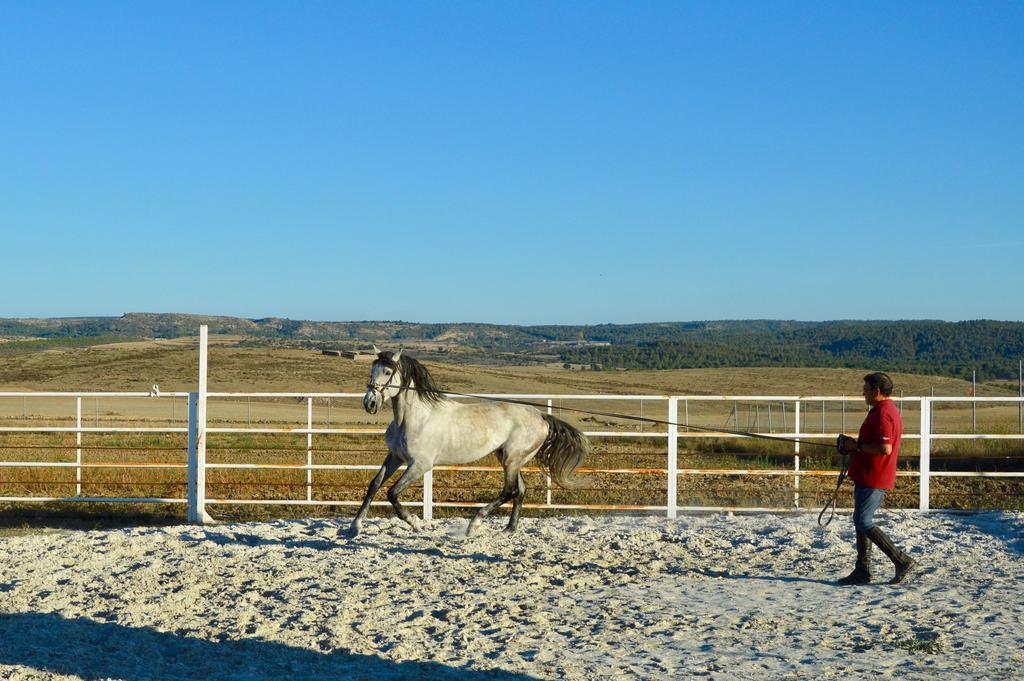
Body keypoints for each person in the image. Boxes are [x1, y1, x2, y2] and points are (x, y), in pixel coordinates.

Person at [836, 372, 918, 586]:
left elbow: (884, 448)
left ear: (877, 391)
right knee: (860, 521)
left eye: (866, 388)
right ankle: (862, 570)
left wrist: (856, 447)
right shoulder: (882, 410)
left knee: (863, 521)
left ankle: (901, 560)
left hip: (875, 475)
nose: (863, 392)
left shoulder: (883, 414)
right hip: (868, 474)